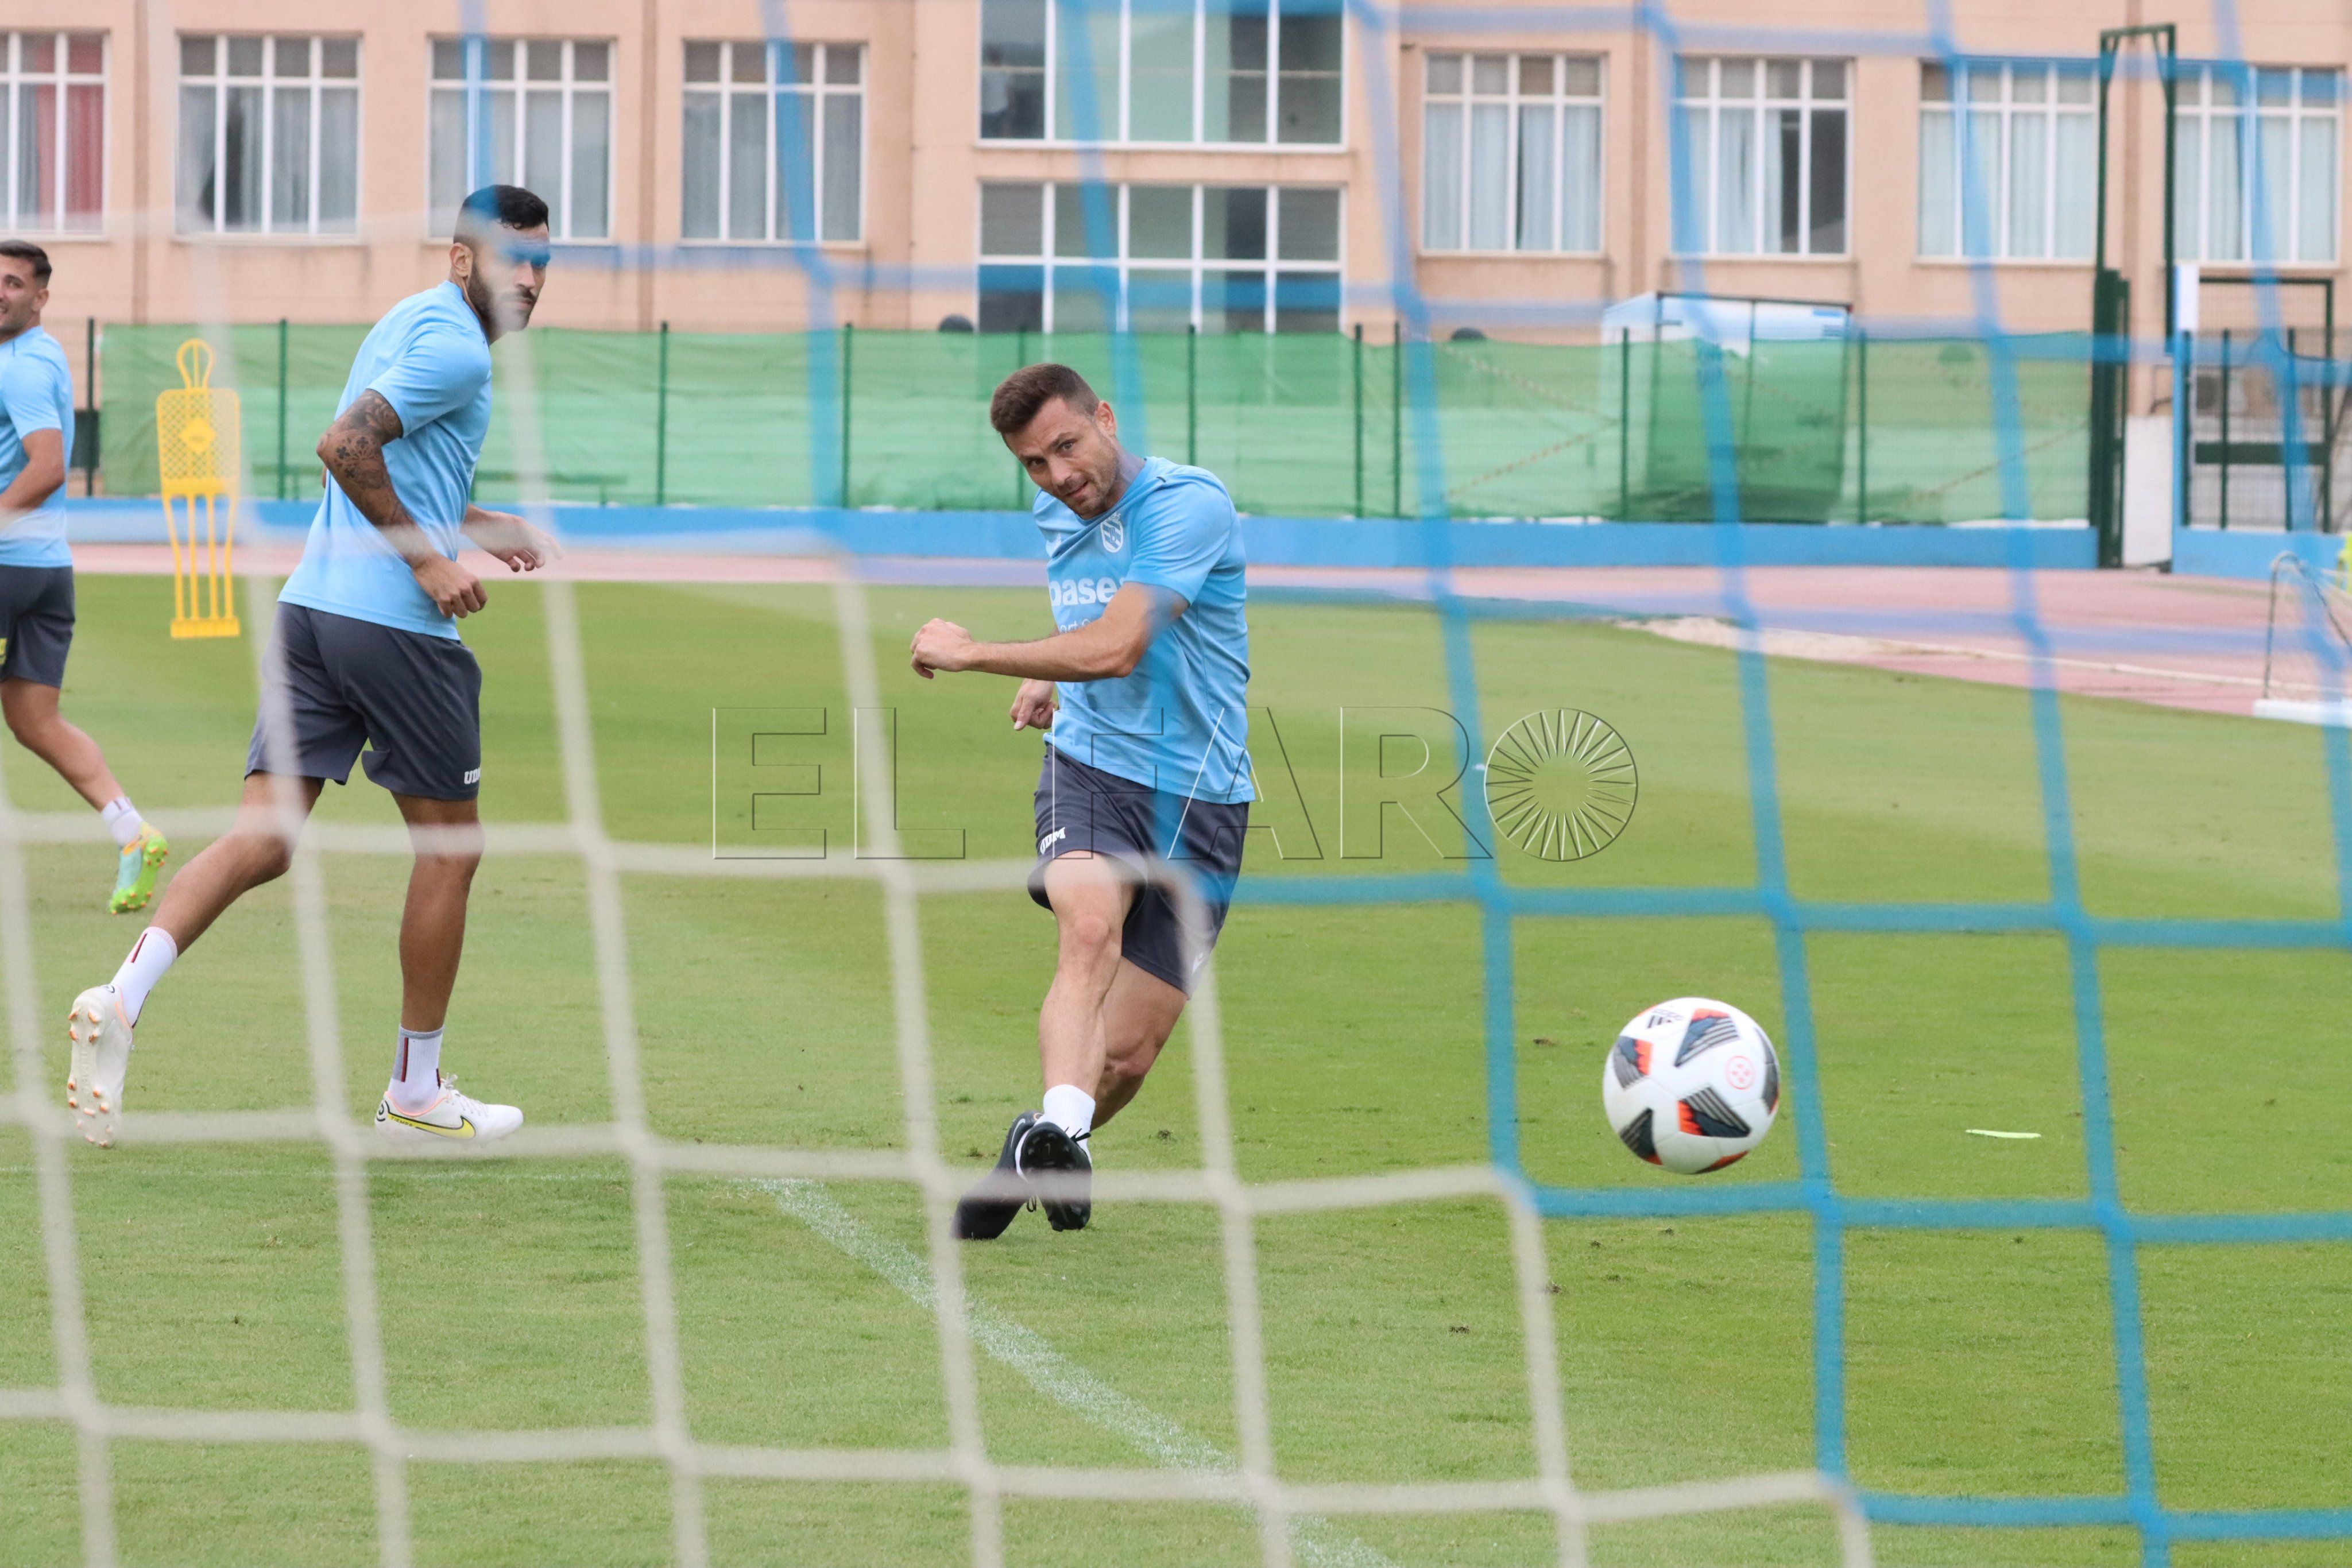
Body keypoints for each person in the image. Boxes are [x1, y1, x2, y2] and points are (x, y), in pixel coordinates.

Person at [65, 187, 560, 1148]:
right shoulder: (457, 346)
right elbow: (344, 446)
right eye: (512, 260)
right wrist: (427, 558)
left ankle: (122, 996)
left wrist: (474, 522)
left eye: (543, 261)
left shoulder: (412, 320)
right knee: (451, 850)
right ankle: (416, 1093)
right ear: (463, 261)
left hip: (311, 612)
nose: (531, 280)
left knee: (269, 833)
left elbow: (389, 460)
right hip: (394, 627)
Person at [910, 363, 1252, 1238]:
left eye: (1067, 447)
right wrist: (1056, 683)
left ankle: (1042, 1141)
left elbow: (1119, 645)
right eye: (1035, 464)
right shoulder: (1057, 511)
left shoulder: (1187, 505)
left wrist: (981, 653)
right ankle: (1063, 1132)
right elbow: (1091, 623)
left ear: (1104, 418)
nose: (1059, 477)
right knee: (1088, 927)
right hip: (1091, 768)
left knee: (1131, 1053)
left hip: (1200, 799)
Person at [0, 241, 169, 913]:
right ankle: (132, 831)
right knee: (34, 717)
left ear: (41, 298)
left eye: (13, 283)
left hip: (8, 566)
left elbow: (47, 466)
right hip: (48, 572)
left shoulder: (19, 367)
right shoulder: (40, 357)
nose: (0, 291)